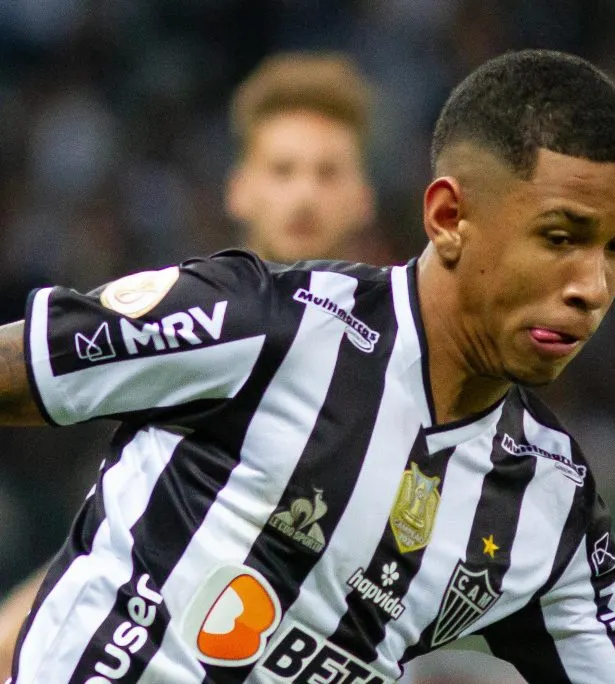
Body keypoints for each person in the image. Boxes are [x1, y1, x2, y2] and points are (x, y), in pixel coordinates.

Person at [0, 48, 615, 682]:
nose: (593, 287)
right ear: (448, 216)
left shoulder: (549, 500)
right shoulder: (264, 322)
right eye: (560, 237)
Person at [0, 50, 380, 679]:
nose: (305, 194)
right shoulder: (193, 327)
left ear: (363, 196)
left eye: (327, 172)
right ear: (240, 187)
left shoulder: (396, 371)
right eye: (282, 170)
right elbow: (131, 533)